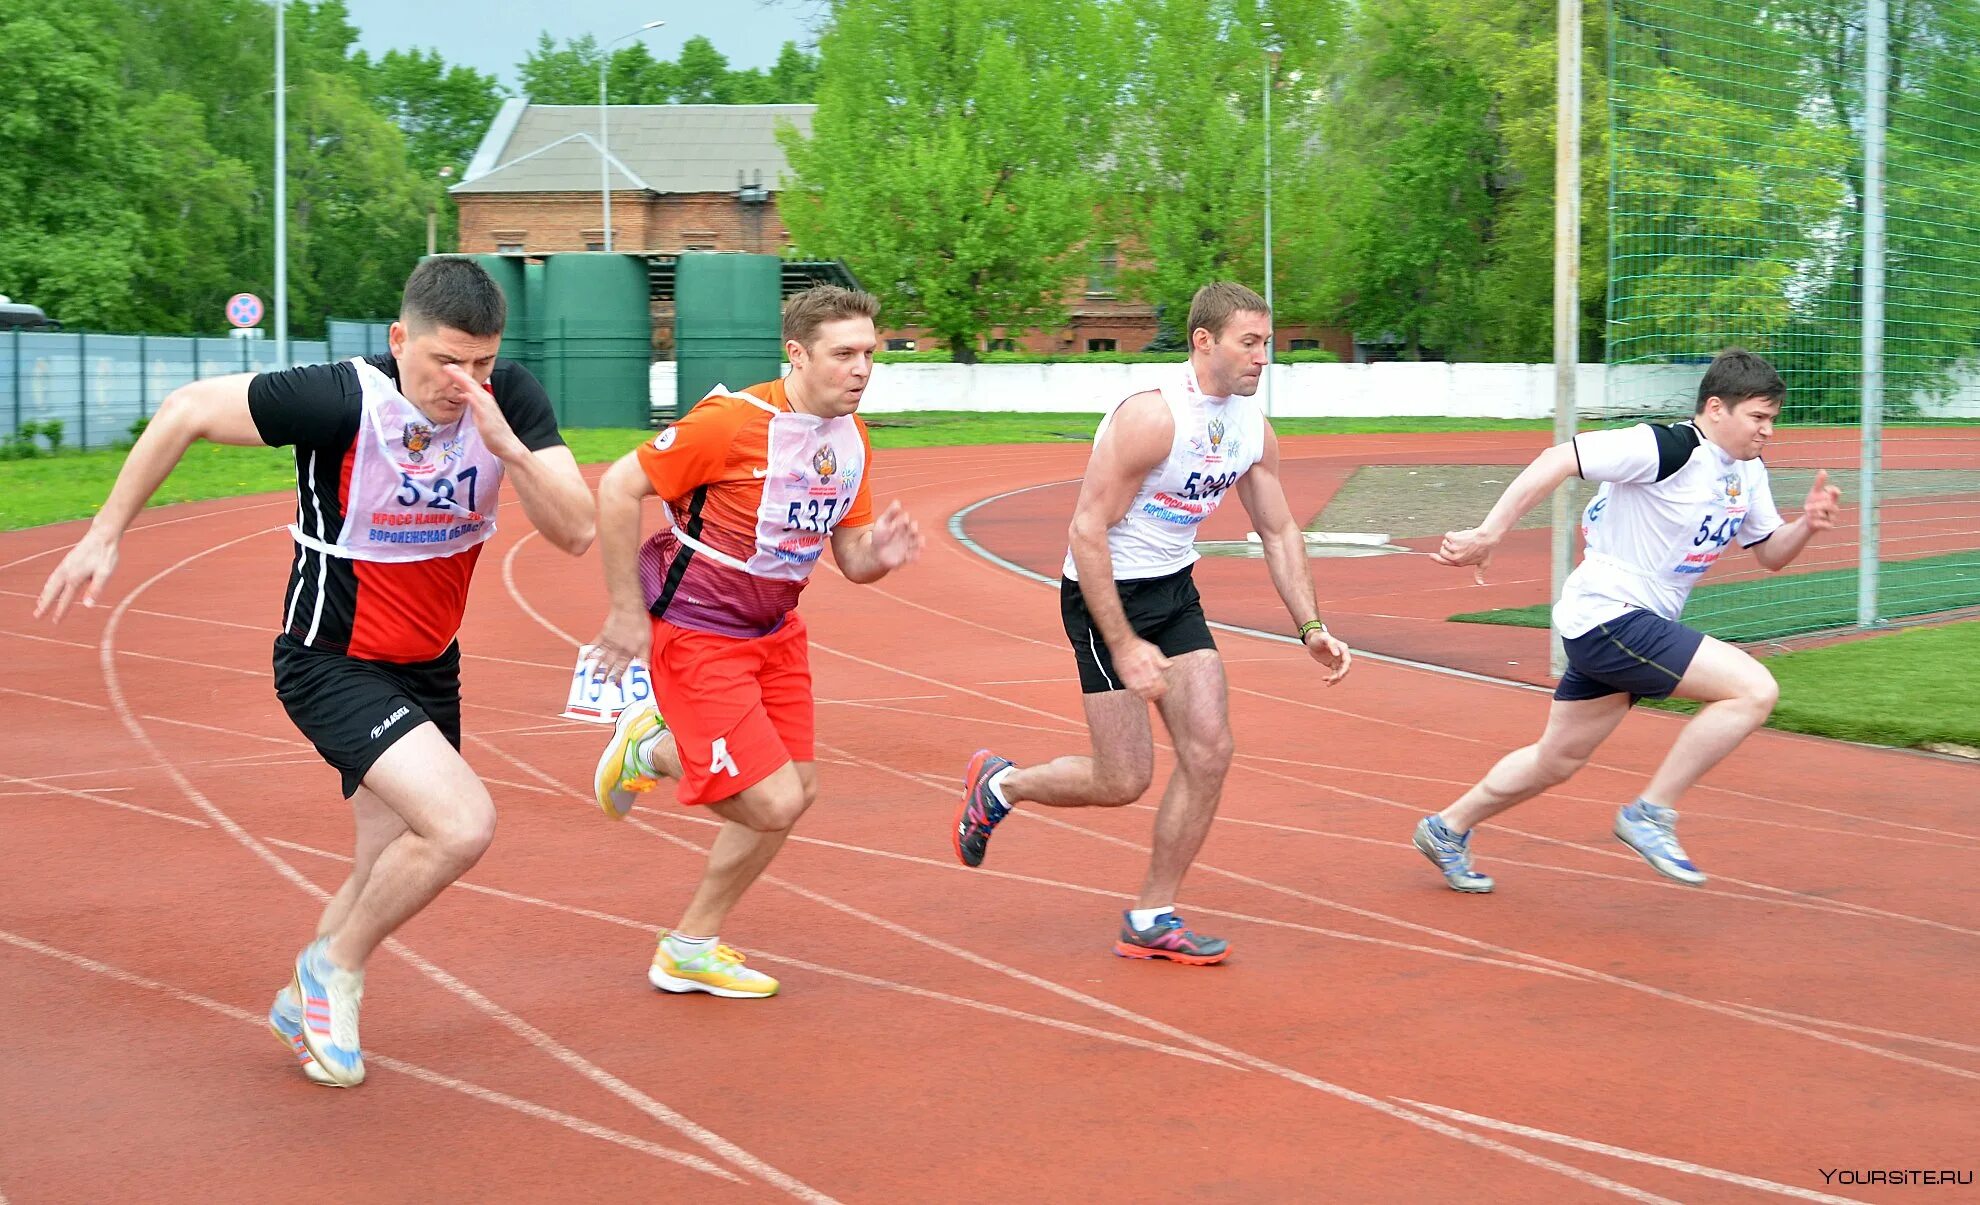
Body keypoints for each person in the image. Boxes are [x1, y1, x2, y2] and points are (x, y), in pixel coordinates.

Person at [36, 258, 595, 1087]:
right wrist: (106, 532)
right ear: (400, 339)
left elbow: (578, 529)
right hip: (330, 662)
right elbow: (185, 408)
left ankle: (310, 992)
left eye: (481, 362)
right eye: (446, 361)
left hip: (429, 667)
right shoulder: (339, 397)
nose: (464, 382)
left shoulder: (505, 400)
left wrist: (507, 444)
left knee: (384, 866)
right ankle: (333, 970)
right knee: (461, 825)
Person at [951, 281, 1353, 964]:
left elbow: (1280, 530)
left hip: (1173, 590)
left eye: (1268, 343)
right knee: (1123, 778)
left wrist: (1310, 625)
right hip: (1103, 594)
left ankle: (1151, 914)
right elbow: (1086, 531)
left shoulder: (1253, 427)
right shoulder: (1152, 418)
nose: (1264, 358)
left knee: (1210, 752)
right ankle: (1001, 784)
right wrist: (1123, 641)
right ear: (1204, 342)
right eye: (1249, 342)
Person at [586, 285, 922, 999]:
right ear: (796, 354)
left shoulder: (851, 439)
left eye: (870, 353)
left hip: (777, 631)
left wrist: (882, 553)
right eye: (843, 354)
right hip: (700, 631)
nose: (861, 369)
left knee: (798, 790)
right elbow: (618, 487)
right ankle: (650, 743)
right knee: (768, 803)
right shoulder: (729, 424)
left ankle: (689, 946)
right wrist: (624, 611)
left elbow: (853, 560)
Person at [1414, 347, 1842, 892]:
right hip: (1610, 612)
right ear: (1716, 408)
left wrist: (1807, 523)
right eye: (1758, 418)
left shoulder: (1749, 473)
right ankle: (1651, 813)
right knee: (1752, 690)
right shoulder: (1665, 446)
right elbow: (1557, 458)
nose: (1768, 432)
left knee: (1557, 759)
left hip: (1627, 624)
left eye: (1772, 420)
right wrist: (1489, 532)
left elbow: (1770, 553)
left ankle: (1445, 828)